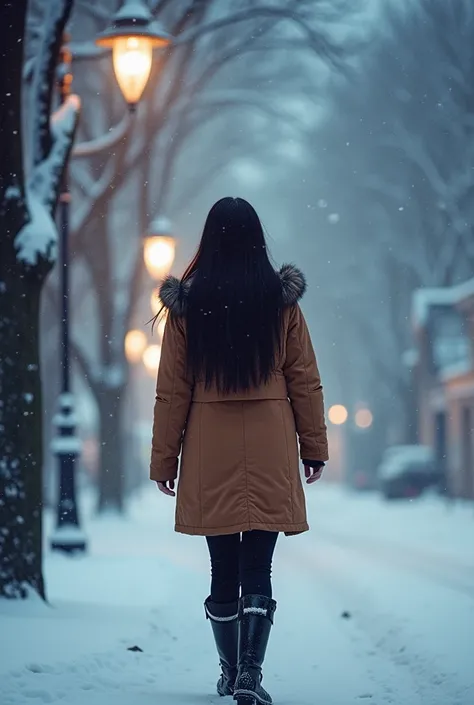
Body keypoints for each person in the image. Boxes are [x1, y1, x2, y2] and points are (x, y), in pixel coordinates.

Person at [150, 197, 328, 705]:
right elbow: (305, 381)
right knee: (260, 566)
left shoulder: (187, 306)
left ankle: (229, 672)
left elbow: (172, 391)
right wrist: (313, 447)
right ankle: (251, 673)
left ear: (208, 240)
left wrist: (164, 461)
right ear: (257, 240)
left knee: (222, 564)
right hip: (271, 441)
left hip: (210, 444)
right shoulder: (282, 303)